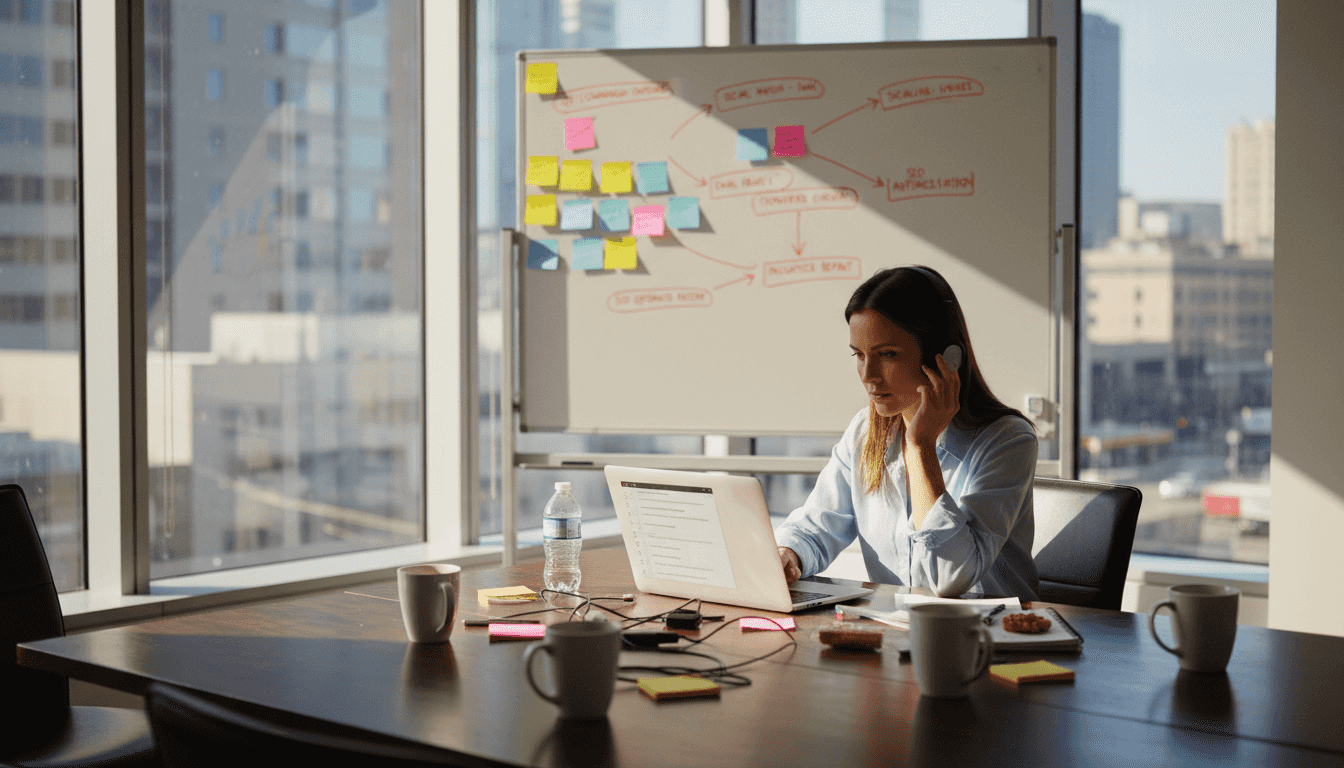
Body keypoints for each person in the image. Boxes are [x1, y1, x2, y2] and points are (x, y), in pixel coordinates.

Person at [774, 266, 1039, 599]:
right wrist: (789, 553)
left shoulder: (1008, 440)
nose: (868, 375)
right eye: (859, 355)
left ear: (947, 358)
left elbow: (951, 576)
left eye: (887, 354)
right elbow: (818, 525)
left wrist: (920, 446)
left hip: (992, 629)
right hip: (897, 626)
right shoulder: (865, 431)